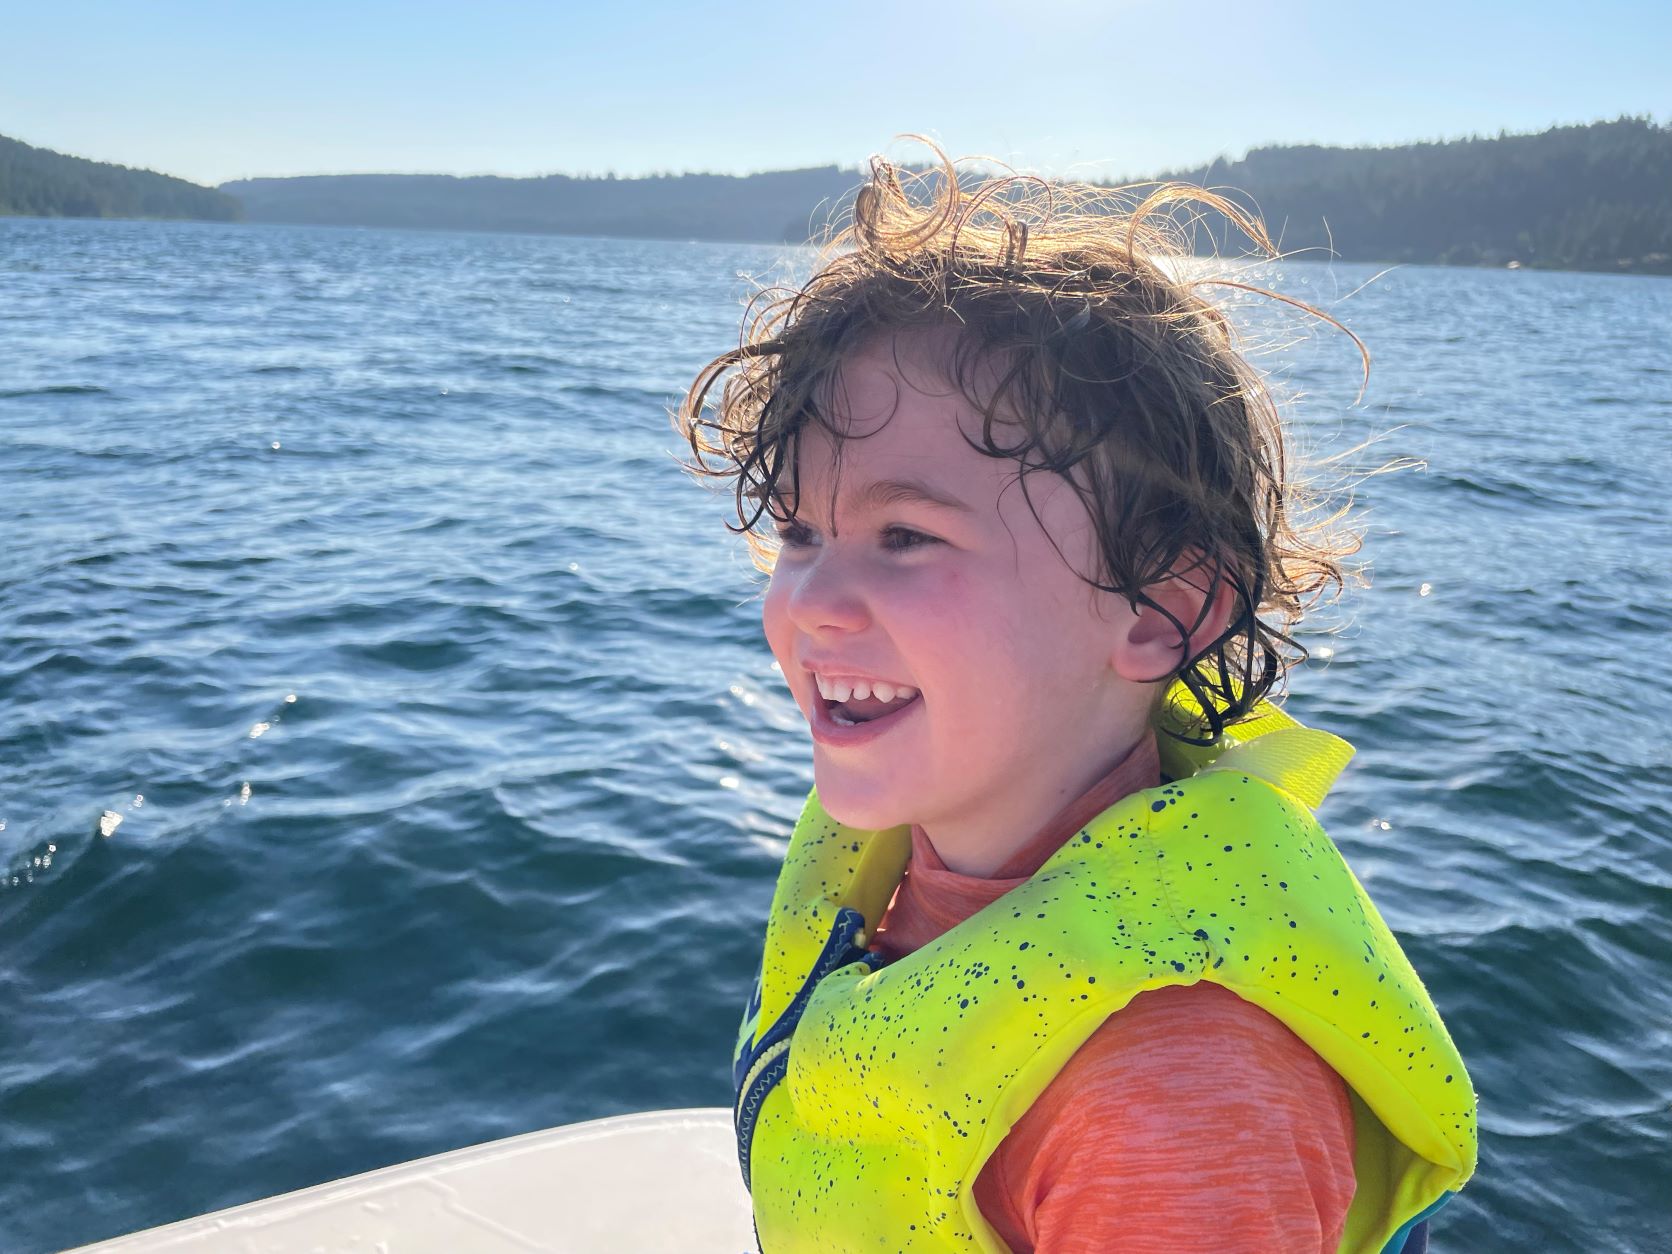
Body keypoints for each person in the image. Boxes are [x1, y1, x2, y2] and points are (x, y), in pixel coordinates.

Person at [674, 140, 1477, 1254]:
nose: (807, 603)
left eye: (905, 536)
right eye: (802, 532)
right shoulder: (921, 857)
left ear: (1161, 612)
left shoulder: (1169, 1095)